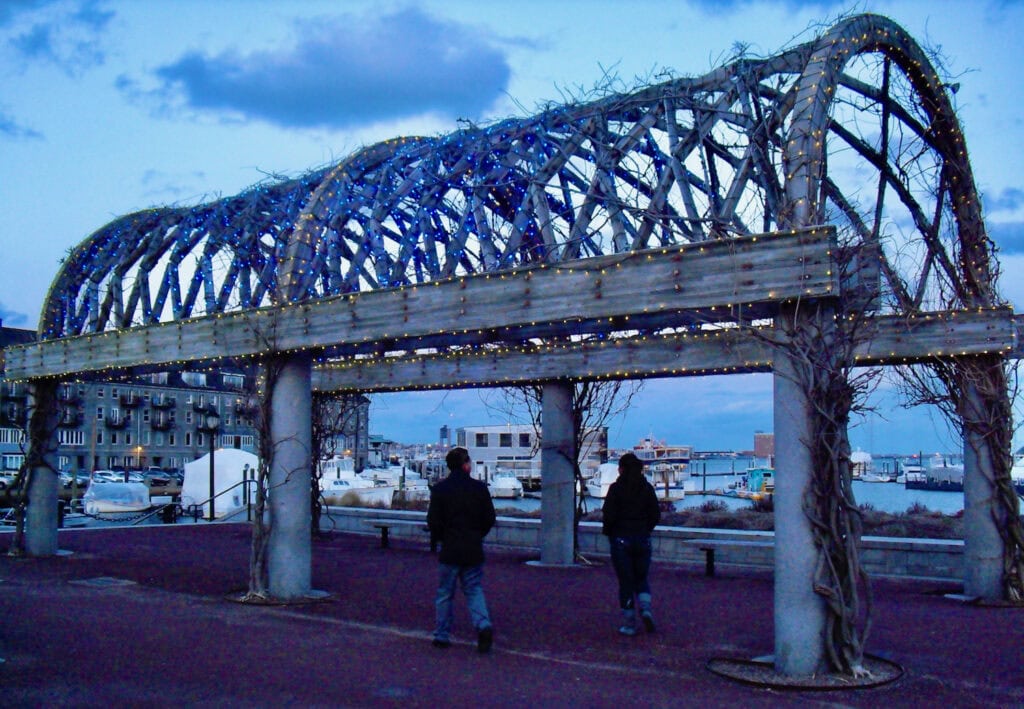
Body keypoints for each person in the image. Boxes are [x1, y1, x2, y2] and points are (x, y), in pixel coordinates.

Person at [427, 446, 497, 652]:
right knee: (474, 590)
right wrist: (477, 535)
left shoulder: (440, 490)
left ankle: (441, 635)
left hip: (450, 548)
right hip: (473, 548)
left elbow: (433, 521)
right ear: (466, 465)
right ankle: (483, 626)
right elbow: (489, 518)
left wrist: (443, 538)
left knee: (445, 593)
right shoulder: (479, 488)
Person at [601, 452, 661, 636]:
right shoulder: (647, 488)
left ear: (621, 469)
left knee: (625, 582)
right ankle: (645, 608)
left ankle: (629, 623)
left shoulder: (616, 489)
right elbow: (655, 514)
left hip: (621, 539)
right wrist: (645, 529)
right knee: (641, 578)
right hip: (642, 538)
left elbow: (608, 515)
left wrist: (610, 532)